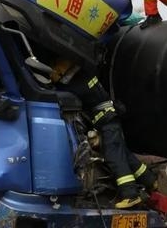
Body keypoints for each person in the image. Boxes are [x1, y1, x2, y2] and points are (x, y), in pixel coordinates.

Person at [51, 58, 158, 209]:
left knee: (114, 157)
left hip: (106, 122)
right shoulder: (85, 74)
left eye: (56, 70)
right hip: (110, 119)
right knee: (123, 153)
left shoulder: (75, 85)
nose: (55, 74)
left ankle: (130, 195)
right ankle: (149, 180)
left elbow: (60, 92)